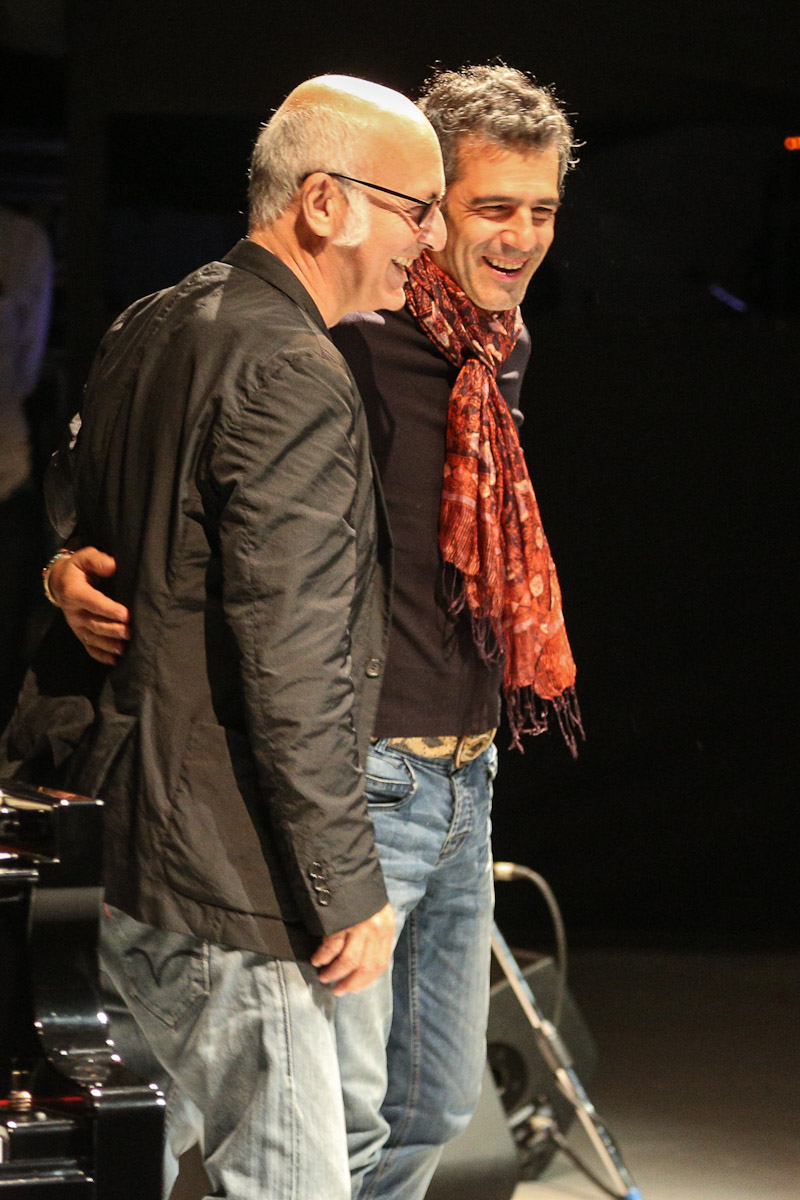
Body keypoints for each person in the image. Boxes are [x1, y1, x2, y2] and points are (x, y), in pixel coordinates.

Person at [44, 65, 580, 1200]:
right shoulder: (327, 339)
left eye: (542, 209)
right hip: (344, 780)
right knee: (314, 1131)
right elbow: (274, 624)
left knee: (427, 1106)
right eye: (478, 206)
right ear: (394, 202)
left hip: (455, 772)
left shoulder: (496, 348)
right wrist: (64, 559)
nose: (518, 236)